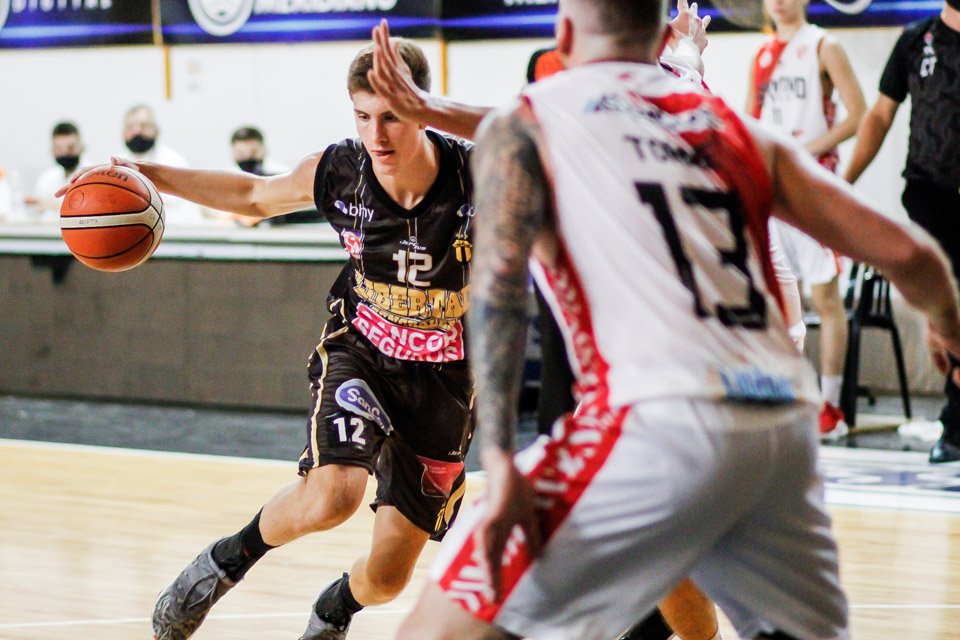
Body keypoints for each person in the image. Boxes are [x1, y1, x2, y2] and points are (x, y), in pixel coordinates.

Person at [391, 0, 960, 639]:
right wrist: (947, 323)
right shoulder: (738, 130)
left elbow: (499, 292)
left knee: (436, 631)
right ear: (664, 35)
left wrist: (498, 456)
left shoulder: (535, 118)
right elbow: (911, 256)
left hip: (659, 416)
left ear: (564, 33)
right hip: (779, 424)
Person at [66, 41, 476, 640]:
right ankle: (223, 563)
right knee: (333, 496)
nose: (376, 134)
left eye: (392, 116)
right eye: (363, 116)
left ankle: (337, 606)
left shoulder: (481, 176)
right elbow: (254, 197)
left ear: (425, 109)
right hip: (363, 350)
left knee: (388, 579)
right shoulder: (341, 171)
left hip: (445, 381)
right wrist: (151, 176)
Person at [844, 0, 960, 462]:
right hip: (931, 197)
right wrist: (844, 183)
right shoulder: (916, 40)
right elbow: (878, 116)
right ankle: (955, 427)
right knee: (948, 314)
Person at [746, 0, 867, 441]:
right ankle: (787, 398)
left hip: (816, 187)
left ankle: (830, 405)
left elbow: (858, 114)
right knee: (778, 299)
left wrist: (806, 151)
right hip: (773, 191)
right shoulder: (761, 55)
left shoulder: (823, 45)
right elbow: (748, 121)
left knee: (825, 298)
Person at [120, 104, 205, 225]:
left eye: (144, 125)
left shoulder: (174, 161)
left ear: (156, 130)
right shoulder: (115, 165)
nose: (137, 131)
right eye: (130, 126)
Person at [27, 121, 85, 221]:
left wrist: (52, 204)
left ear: (81, 147)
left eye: (70, 147)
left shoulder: (92, 176)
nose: (65, 153)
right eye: (59, 148)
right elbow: (36, 212)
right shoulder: (46, 178)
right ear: (52, 150)